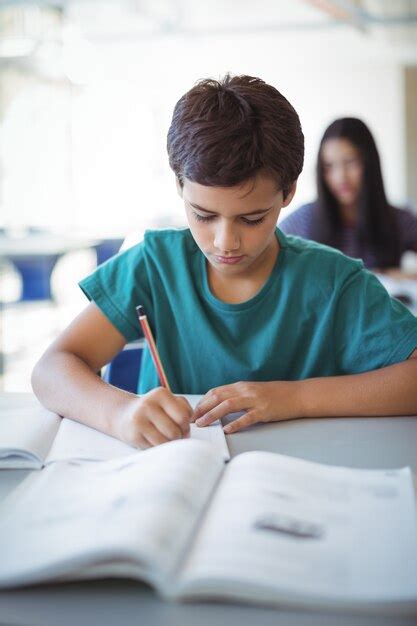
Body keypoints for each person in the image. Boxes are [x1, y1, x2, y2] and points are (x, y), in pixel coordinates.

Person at [32, 75, 417, 448]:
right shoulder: (154, 265)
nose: (225, 242)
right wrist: (118, 413)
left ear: (288, 192)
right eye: (203, 215)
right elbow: (52, 369)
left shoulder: (335, 282)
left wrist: (295, 398)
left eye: (252, 219)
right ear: (179, 184)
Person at [279, 117, 417, 274]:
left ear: (369, 162)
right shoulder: (304, 219)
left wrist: (402, 276)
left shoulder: (399, 220)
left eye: (350, 162)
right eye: (329, 166)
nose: (340, 177)